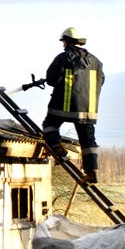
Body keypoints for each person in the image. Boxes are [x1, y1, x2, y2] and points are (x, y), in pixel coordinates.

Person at [43, 27, 104, 184]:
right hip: (87, 109)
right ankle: (91, 172)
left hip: (63, 106)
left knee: (50, 124)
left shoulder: (63, 58)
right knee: (88, 140)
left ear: (66, 42)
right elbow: (101, 80)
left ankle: (56, 147)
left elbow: (51, 79)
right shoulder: (96, 61)